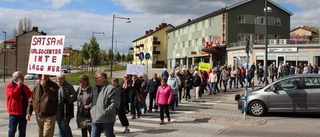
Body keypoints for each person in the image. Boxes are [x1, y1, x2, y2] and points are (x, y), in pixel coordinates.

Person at [90, 70, 119, 137]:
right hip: (95, 118)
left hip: (107, 120)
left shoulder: (110, 88)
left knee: (109, 135)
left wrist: (104, 112)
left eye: (96, 78)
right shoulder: (95, 89)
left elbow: (114, 103)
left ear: (102, 78)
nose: (95, 80)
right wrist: (91, 108)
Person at [6, 71, 32, 137]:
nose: (23, 79)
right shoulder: (10, 86)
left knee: (22, 131)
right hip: (14, 113)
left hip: (23, 113)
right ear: (17, 78)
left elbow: (31, 95)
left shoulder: (25, 87)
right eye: (22, 77)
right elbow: (13, 95)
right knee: (12, 131)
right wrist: (19, 86)